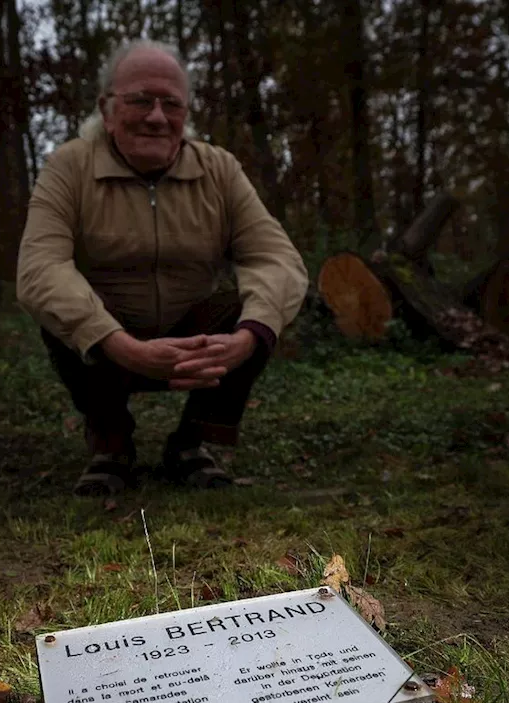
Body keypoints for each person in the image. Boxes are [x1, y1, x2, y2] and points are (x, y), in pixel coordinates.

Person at [17, 39, 308, 497]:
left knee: (254, 311)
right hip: (109, 342)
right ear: (107, 108)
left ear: (185, 112)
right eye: (139, 100)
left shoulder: (219, 169)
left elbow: (276, 258)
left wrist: (247, 337)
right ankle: (111, 446)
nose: (156, 116)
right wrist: (120, 344)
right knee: (63, 310)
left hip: (192, 338)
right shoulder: (68, 167)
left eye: (171, 104)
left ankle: (193, 444)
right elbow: (39, 268)